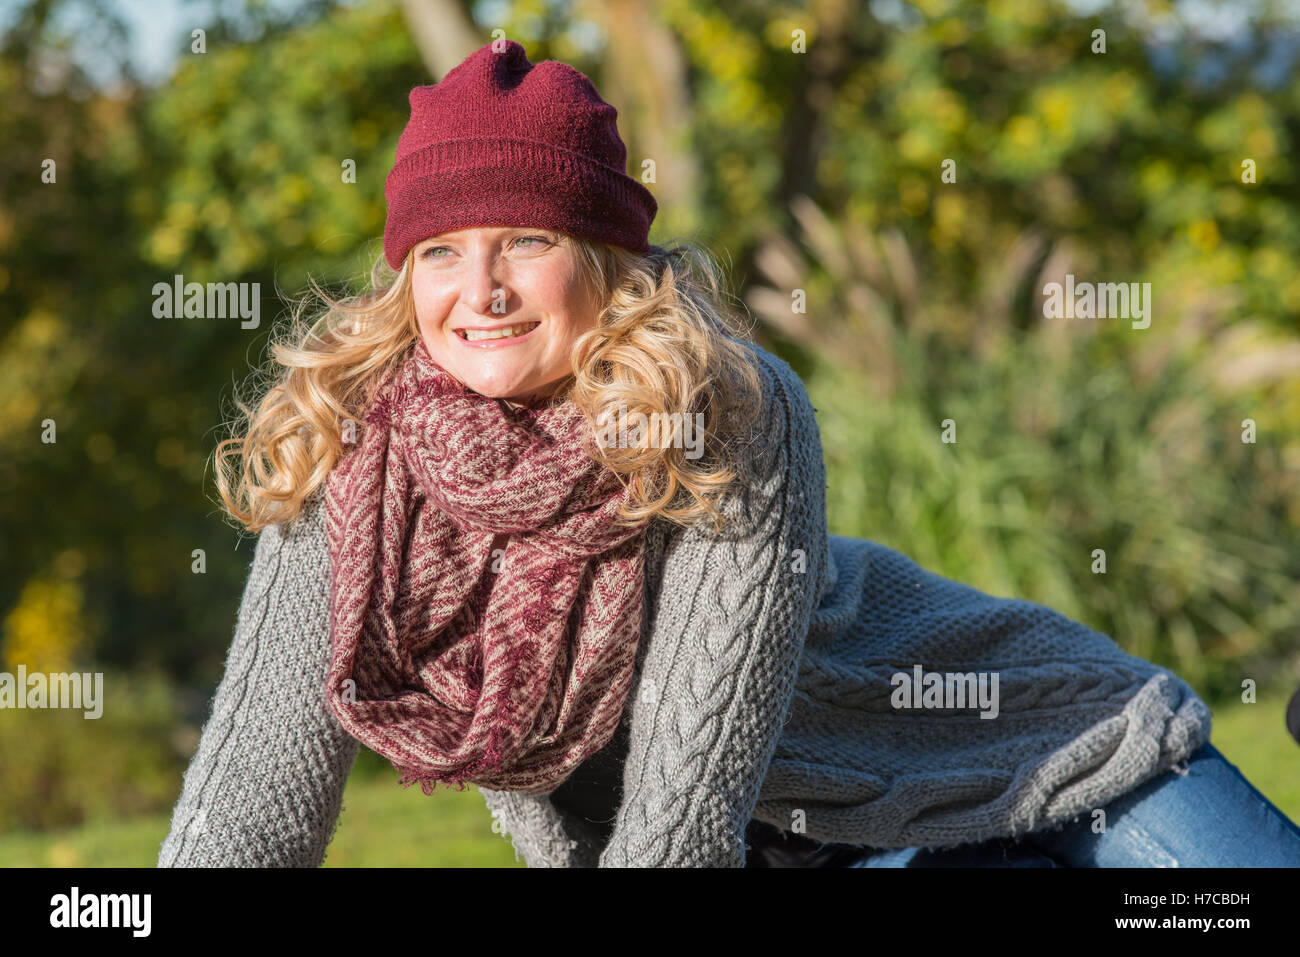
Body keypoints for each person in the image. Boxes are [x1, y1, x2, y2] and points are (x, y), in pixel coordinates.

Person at [156, 38, 1300, 868]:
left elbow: (678, 817)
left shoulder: (724, 414)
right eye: (443, 252)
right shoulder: (351, 451)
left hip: (1032, 746)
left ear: (602, 258)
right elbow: (250, 806)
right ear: (405, 279)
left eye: (529, 241)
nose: (481, 291)